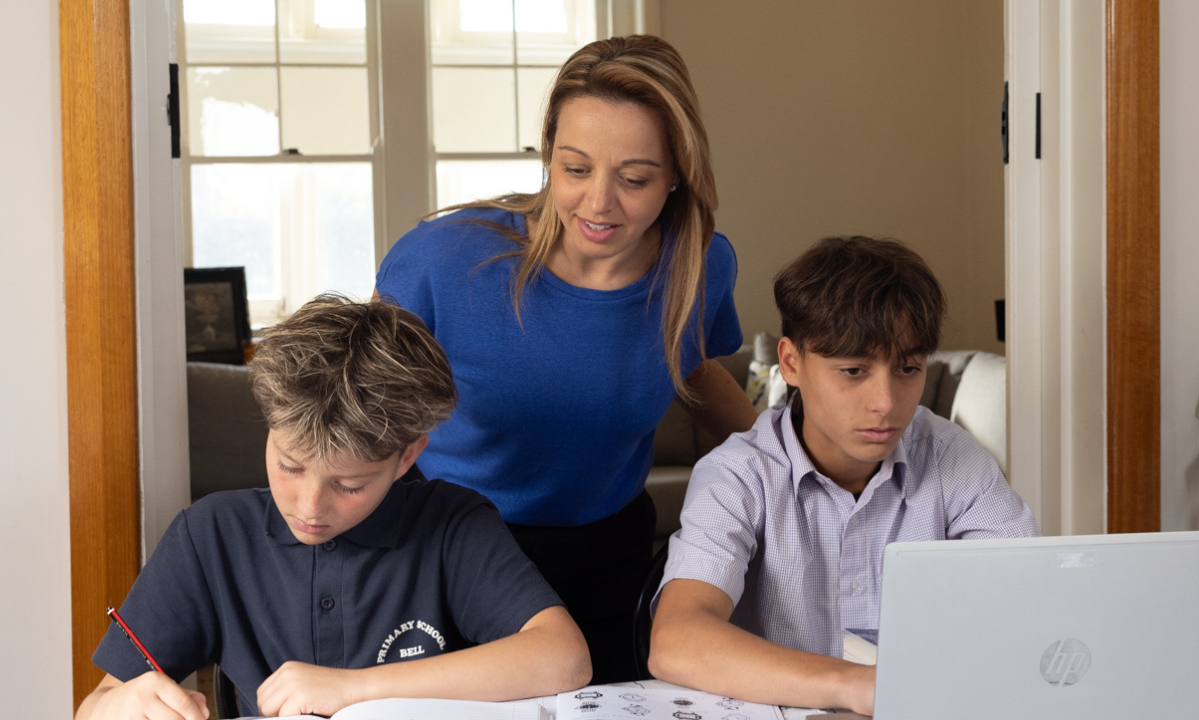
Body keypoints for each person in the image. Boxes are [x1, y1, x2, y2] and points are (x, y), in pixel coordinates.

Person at [375, 35, 757, 682]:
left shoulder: (699, 267)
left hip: (610, 554)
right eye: (575, 169)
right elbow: (361, 404)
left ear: (676, 176)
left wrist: (797, 459)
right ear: (548, 155)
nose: (599, 203)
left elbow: (691, 371)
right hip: (458, 548)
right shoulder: (441, 261)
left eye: (634, 179)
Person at [75, 295, 591, 720]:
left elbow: (564, 659)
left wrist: (352, 690)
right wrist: (121, 704)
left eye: (349, 485)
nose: (310, 507)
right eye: (290, 466)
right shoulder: (210, 535)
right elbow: (92, 707)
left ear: (408, 454)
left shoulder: (451, 523)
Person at [647, 237, 1040, 715]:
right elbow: (676, 640)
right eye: (853, 370)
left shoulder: (953, 456)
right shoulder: (737, 474)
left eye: (909, 369)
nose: (886, 403)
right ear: (791, 363)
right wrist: (858, 686)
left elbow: (1031, 601)